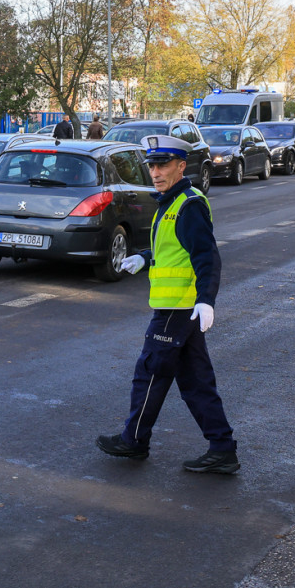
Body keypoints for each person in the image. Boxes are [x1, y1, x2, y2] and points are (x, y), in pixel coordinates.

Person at [96, 134, 239, 474]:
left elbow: (207, 257)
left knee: (150, 373)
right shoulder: (170, 202)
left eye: (162, 165)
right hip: (178, 307)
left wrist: (207, 300)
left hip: (179, 307)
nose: (155, 171)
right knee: (195, 381)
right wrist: (145, 259)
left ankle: (133, 441)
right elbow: (174, 251)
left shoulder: (188, 205)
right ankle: (222, 448)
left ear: (180, 166)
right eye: (152, 165)